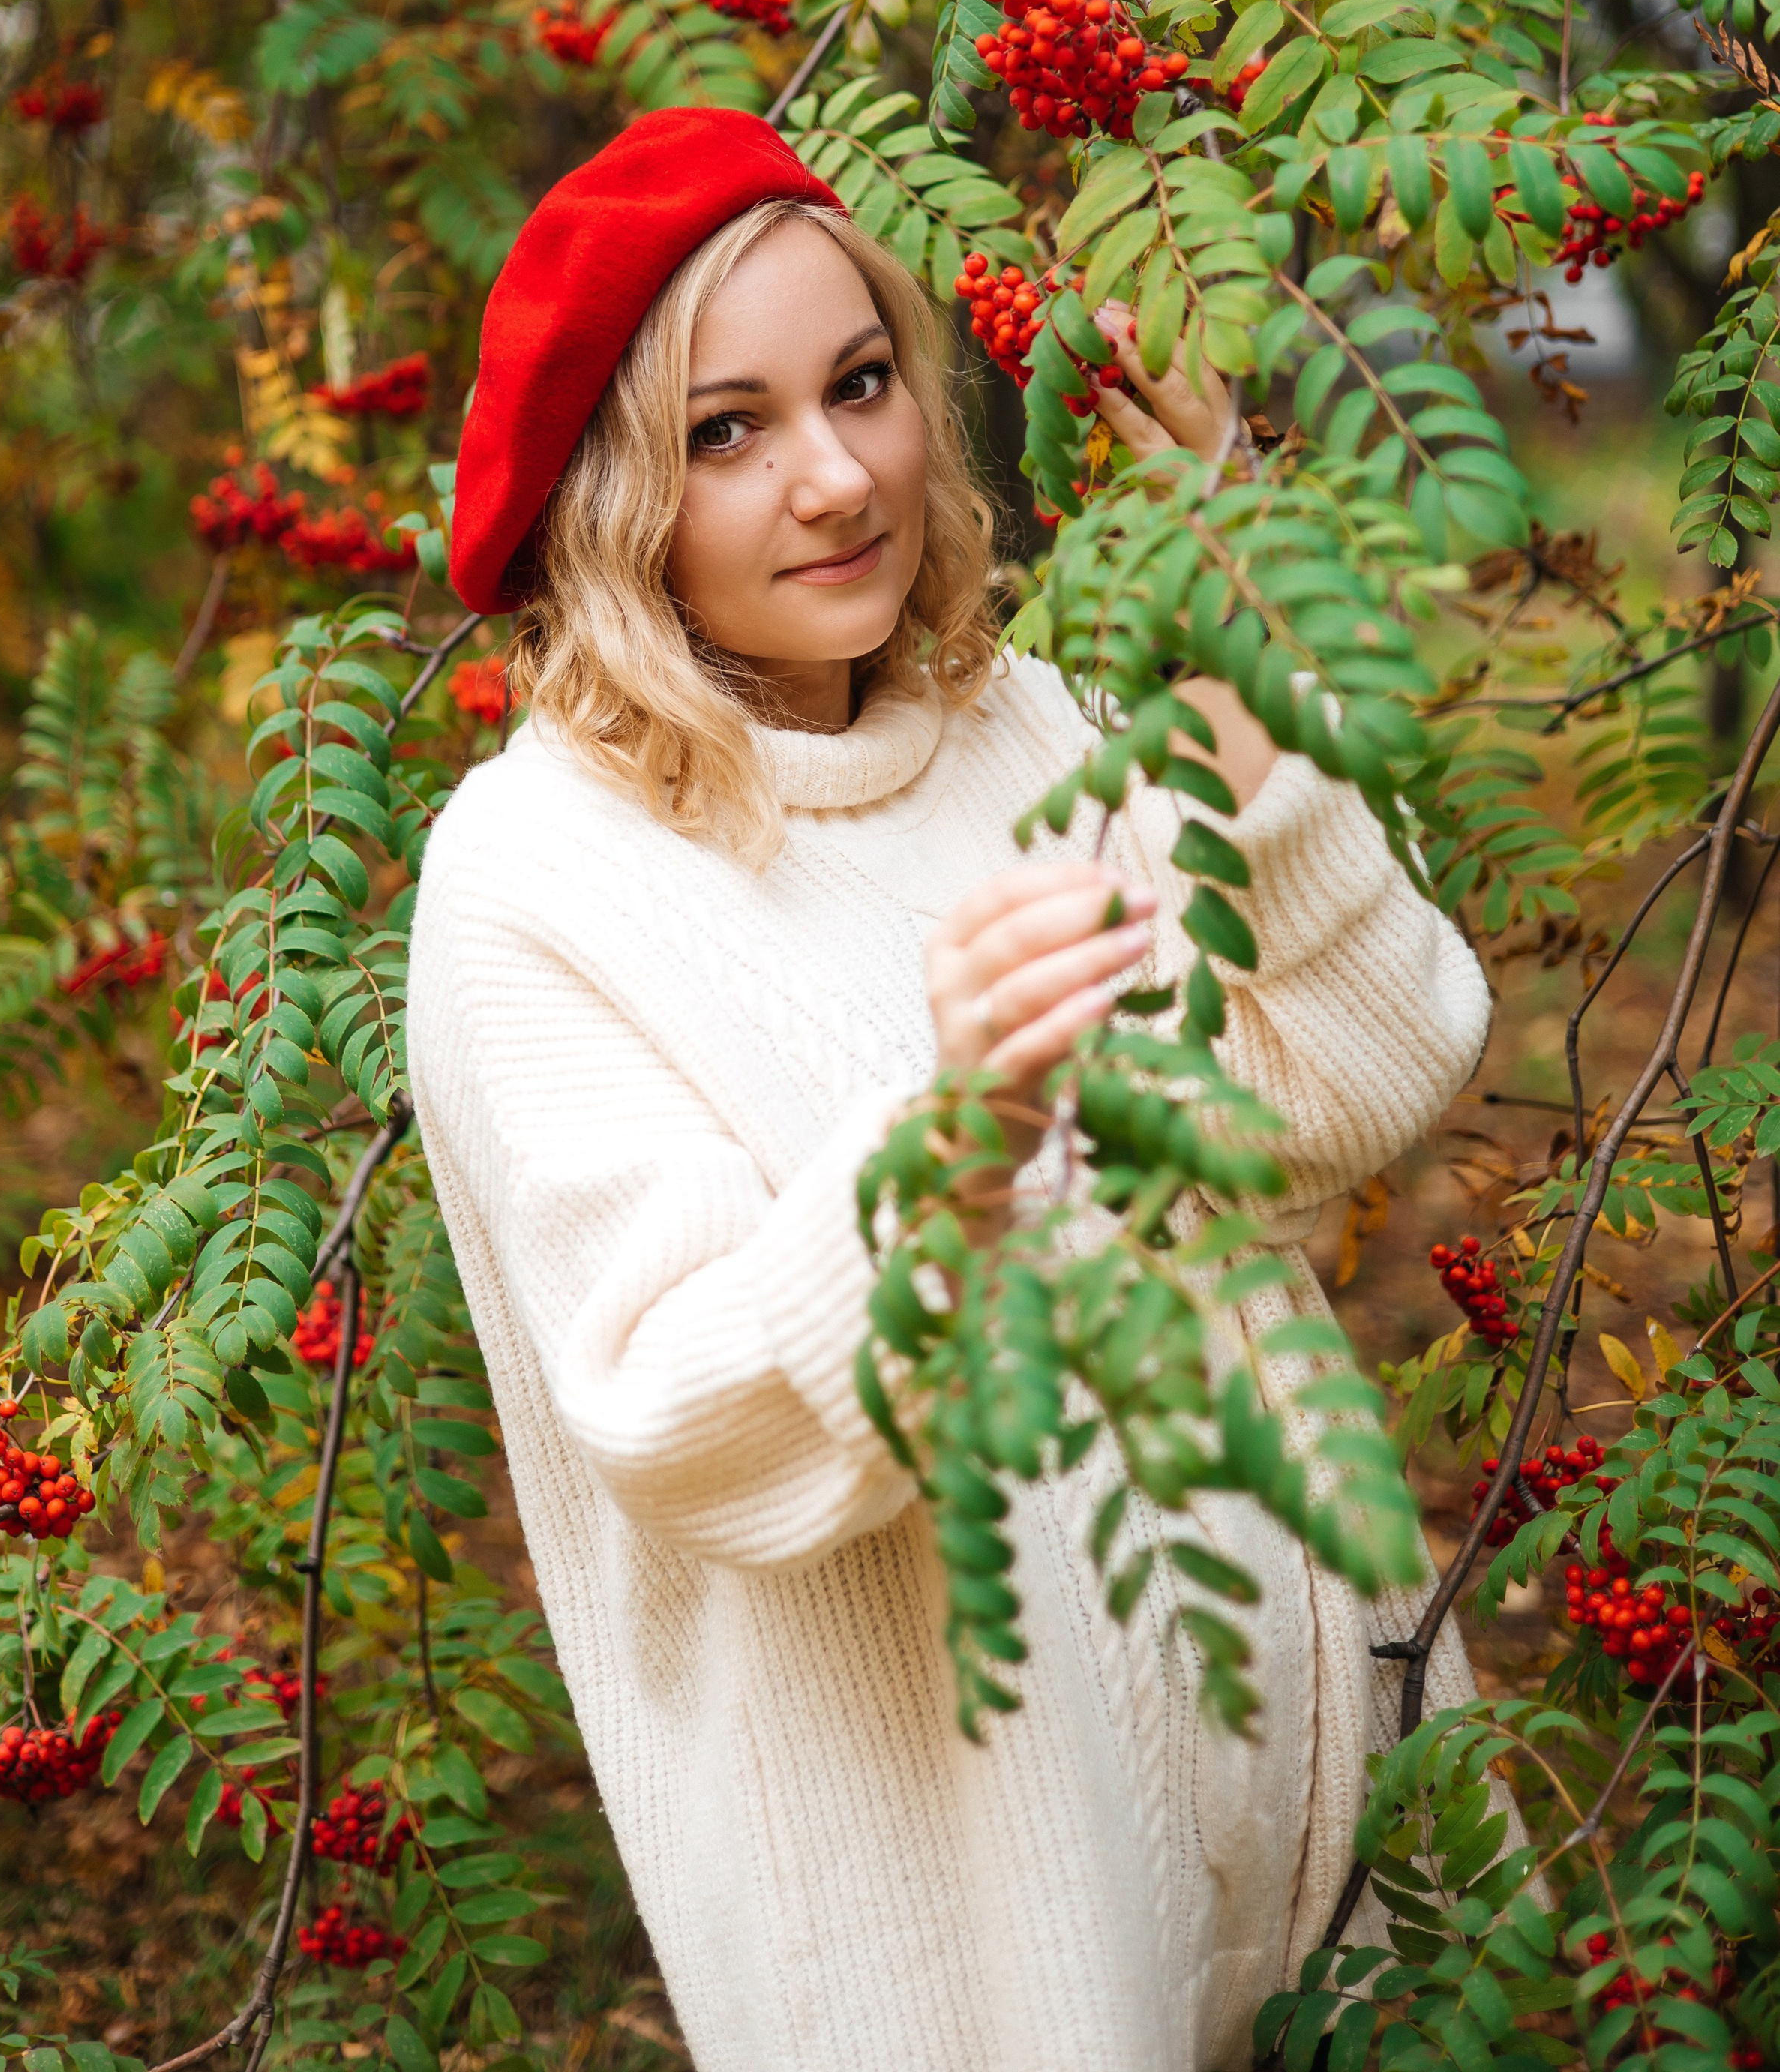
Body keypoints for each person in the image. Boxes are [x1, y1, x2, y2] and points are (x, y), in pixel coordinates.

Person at [407, 106, 1495, 2072]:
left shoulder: (1020, 723)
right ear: (610, 487)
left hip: (1353, 1812)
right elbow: (682, 1417)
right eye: (728, 431)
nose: (835, 479)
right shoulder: (535, 877)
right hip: (994, 1936)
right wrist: (959, 1137)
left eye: (862, 384)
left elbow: (1371, 1073)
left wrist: (1235, 630)